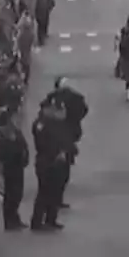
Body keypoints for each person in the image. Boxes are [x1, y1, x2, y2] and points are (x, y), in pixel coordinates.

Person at [30, 100, 73, 231]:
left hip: (57, 162)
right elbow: (43, 144)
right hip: (46, 161)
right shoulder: (41, 124)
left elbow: (65, 139)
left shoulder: (55, 123)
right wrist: (56, 153)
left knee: (54, 192)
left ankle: (51, 219)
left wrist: (66, 150)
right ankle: (36, 222)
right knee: (44, 192)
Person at [46, 77, 88, 209]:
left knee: (59, 168)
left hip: (57, 138)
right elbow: (84, 109)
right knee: (63, 170)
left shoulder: (52, 98)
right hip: (66, 134)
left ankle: (55, 198)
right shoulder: (75, 97)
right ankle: (56, 198)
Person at [0, 112, 28, 230]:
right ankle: (9, 221)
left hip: (18, 166)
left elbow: (24, 146)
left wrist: (24, 158)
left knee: (18, 194)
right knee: (11, 195)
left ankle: (15, 218)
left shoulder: (16, 132)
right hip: (9, 168)